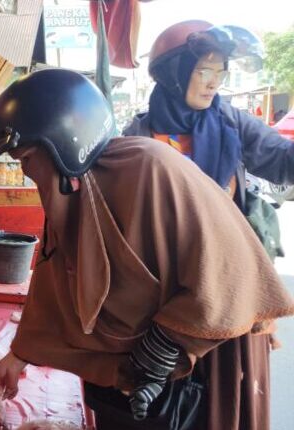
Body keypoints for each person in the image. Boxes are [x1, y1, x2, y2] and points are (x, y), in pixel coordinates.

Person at [0, 69, 294, 430]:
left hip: (204, 353)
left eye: (26, 160)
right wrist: (20, 354)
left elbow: (233, 271)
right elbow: (55, 275)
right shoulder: (74, 189)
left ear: (63, 143)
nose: (27, 173)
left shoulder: (150, 169)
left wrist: (165, 343)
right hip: (139, 377)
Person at [122, 21, 294, 429]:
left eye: (221, 72)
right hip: (163, 302)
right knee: (162, 406)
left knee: (226, 402)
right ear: (174, 73)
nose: (214, 82)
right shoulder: (140, 135)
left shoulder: (232, 123)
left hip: (227, 297)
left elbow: (284, 161)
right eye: (204, 71)